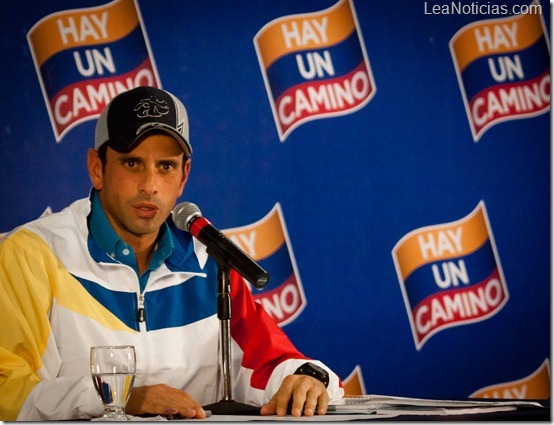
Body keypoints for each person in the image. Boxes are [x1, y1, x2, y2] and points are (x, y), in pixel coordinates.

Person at [0, 86, 344, 421]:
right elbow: (6, 389)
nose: (150, 185)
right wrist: (119, 399)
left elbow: (270, 363)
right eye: (132, 163)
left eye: (165, 166)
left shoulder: (209, 260)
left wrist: (305, 379)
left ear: (183, 176)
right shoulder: (34, 255)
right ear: (97, 168)